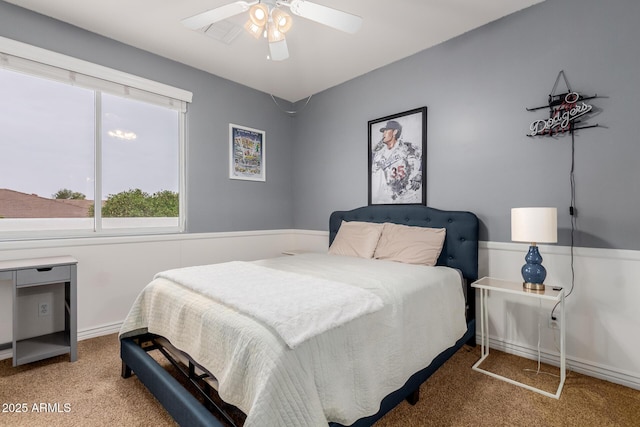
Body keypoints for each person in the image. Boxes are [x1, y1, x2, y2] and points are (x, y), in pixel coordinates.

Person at [371, 120, 422, 204]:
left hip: (408, 197)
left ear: (394, 132)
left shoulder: (406, 148)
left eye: (386, 131)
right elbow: (371, 167)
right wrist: (373, 151)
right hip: (389, 198)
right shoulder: (380, 153)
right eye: (383, 131)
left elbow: (422, 155)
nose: (383, 134)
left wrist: (419, 175)